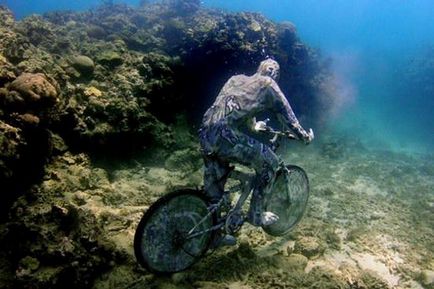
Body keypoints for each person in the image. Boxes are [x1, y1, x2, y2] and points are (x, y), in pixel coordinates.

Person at [199, 59, 313, 244]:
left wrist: (253, 126)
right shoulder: (269, 84)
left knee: (215, 190)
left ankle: (212, 235)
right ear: (275, 74)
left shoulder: (236, 79)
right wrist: (304, 137)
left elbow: (229, 105)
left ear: (258, 69)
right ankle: (256, 215)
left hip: (206, 131)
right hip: (225, 137)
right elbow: (289, 119)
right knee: (269, 164)